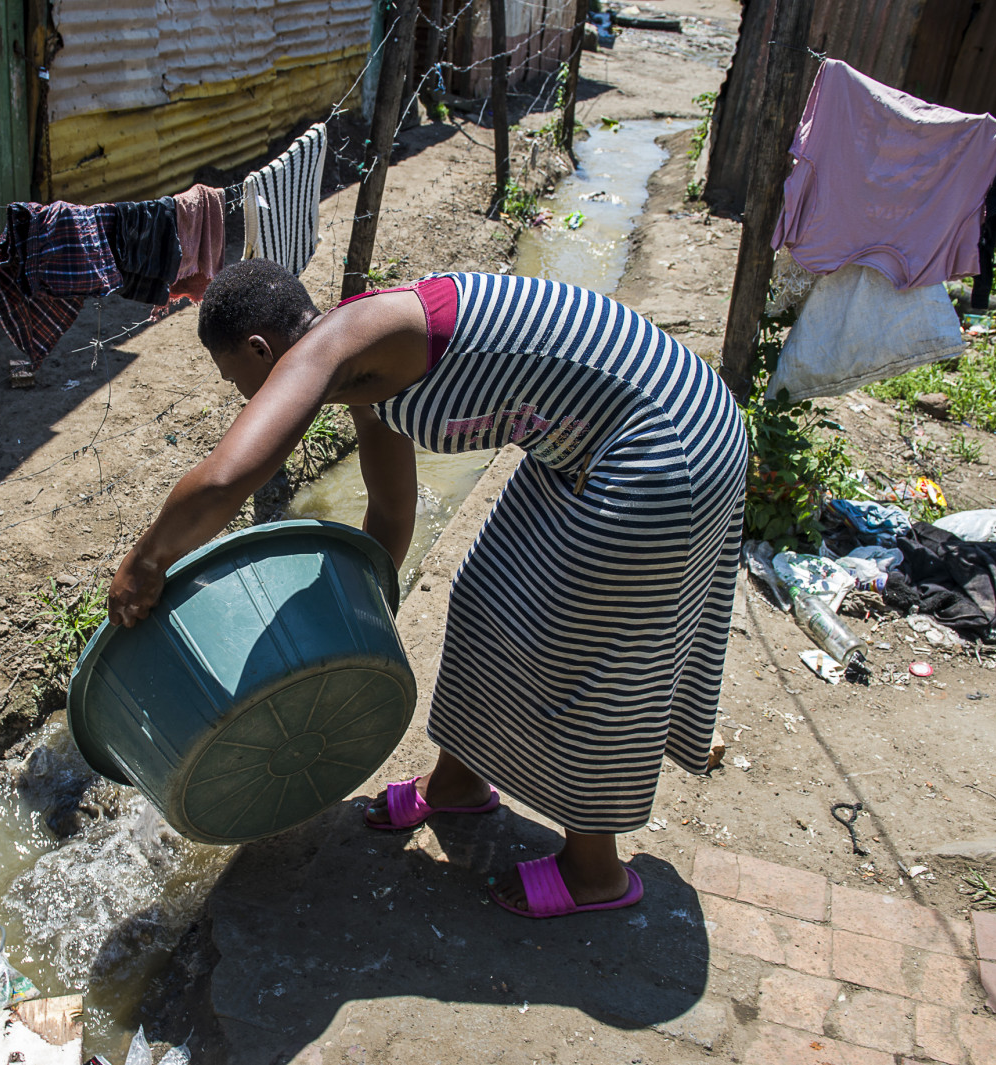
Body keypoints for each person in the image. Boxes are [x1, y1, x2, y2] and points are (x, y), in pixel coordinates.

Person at [108, 259, 748, 919]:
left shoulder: (337, 346)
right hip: (590, 439)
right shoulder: (364, 371)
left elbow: (224, 478)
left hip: (669, 446)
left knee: (571, 649)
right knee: (483, 589)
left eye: (233, 378)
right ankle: (460, 781)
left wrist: (145, 562)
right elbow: (390, 514)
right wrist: (348, 626)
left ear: (259, 350)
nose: (243, 396)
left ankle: (595, 870)